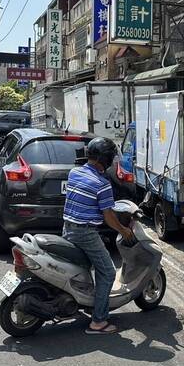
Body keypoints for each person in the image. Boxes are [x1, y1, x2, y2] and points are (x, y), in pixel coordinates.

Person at [62, 137, 135, 334]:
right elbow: (109, 217)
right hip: (84, 232)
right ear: (106, 158)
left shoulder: (74, 172)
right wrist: (123, 230)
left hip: (67, 228)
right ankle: (99, 321)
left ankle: (83, 301)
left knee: (83, 266)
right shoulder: (102, 184)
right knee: (108, 272)